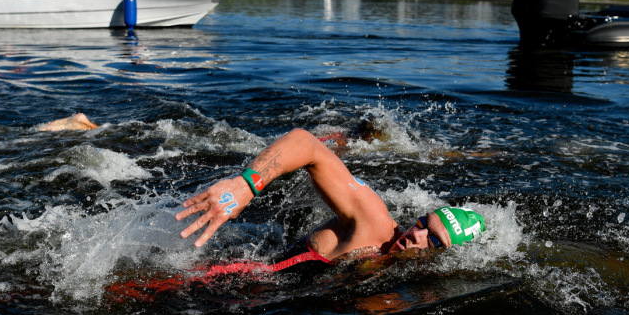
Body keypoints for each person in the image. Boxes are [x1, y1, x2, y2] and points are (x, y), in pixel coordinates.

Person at [176, 128, 485, 269]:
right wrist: (244, 186)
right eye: (422, 223)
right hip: (217, 277)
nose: (416, 234)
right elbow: (307, 145)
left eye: (433, 240)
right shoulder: (374, 222)